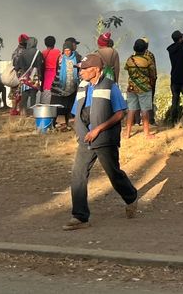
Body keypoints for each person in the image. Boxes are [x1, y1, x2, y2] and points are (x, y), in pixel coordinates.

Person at [63, 53, 139, 231]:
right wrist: (81, 128)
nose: (80, 72)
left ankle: (131, 196)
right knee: (78, 174)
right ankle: (80, 217)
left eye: (83, 69)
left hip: (105, 139)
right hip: (86, 139)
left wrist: (98, 129)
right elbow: (77, 112)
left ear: (95, 70)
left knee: (114, 174)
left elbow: (120, 113)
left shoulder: (110, 86)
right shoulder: (82, 87)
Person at [123, 38, 157, 139]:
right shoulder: (148, 60)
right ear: (145, 48)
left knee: (131, 110)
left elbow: (127, 70)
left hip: (132, 88)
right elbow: (153, 75)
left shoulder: (130, 60)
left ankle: (127, 133)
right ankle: (146, 133)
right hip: (145, 88)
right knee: (145, 110)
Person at [53, 38, 82, 129]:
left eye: (69, 50)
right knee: (61, 104)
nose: (67, 52)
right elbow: (57, 69)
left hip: (72, 85)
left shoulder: (76, 57)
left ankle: (66, 123)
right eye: (65, 50)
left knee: (69, 104)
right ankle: (60, 123)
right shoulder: (60, 58)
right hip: (61, 85)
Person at [10, 34, 42, 116]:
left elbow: (17, 66)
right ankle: (33, 113)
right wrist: (40, 77)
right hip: (34, 77)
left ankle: (23, 113)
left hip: (24, 76)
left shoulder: (23, 52)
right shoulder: (38, 52)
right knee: (33, 95)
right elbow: (39, 66)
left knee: (24, 95)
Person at [40, 36, 61, 106]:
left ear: (45, 43)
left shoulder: (43, 53)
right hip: (56, 74)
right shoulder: (58, 52)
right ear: (54, 43)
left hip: (46, 76)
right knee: (55, 92)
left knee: (46, 92)